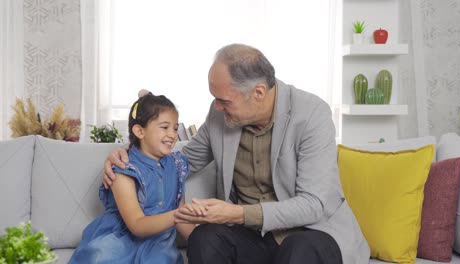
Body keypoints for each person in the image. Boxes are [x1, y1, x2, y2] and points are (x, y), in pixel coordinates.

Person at [104, 44, 370, 264]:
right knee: (205, 238)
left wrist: (237, 214)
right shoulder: (220, 116)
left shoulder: (312, 114)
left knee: (298, 249)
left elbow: (313, 205)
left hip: (312, 234)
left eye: (224, 101)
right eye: (215, 99)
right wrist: (129, 157)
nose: (217, 107)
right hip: (255, 239)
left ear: (258, 93)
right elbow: (180, 162)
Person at [70, 93, 200, 264]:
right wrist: (178, 215)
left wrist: (203, 242)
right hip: (120, 243)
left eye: (175, 128)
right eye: (164, 127)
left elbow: (181, 214)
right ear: (139, 131)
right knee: (100, 258)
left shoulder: (177, 166)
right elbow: (137, 225)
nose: (172, 135)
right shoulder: (124, 169)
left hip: (158, 246)